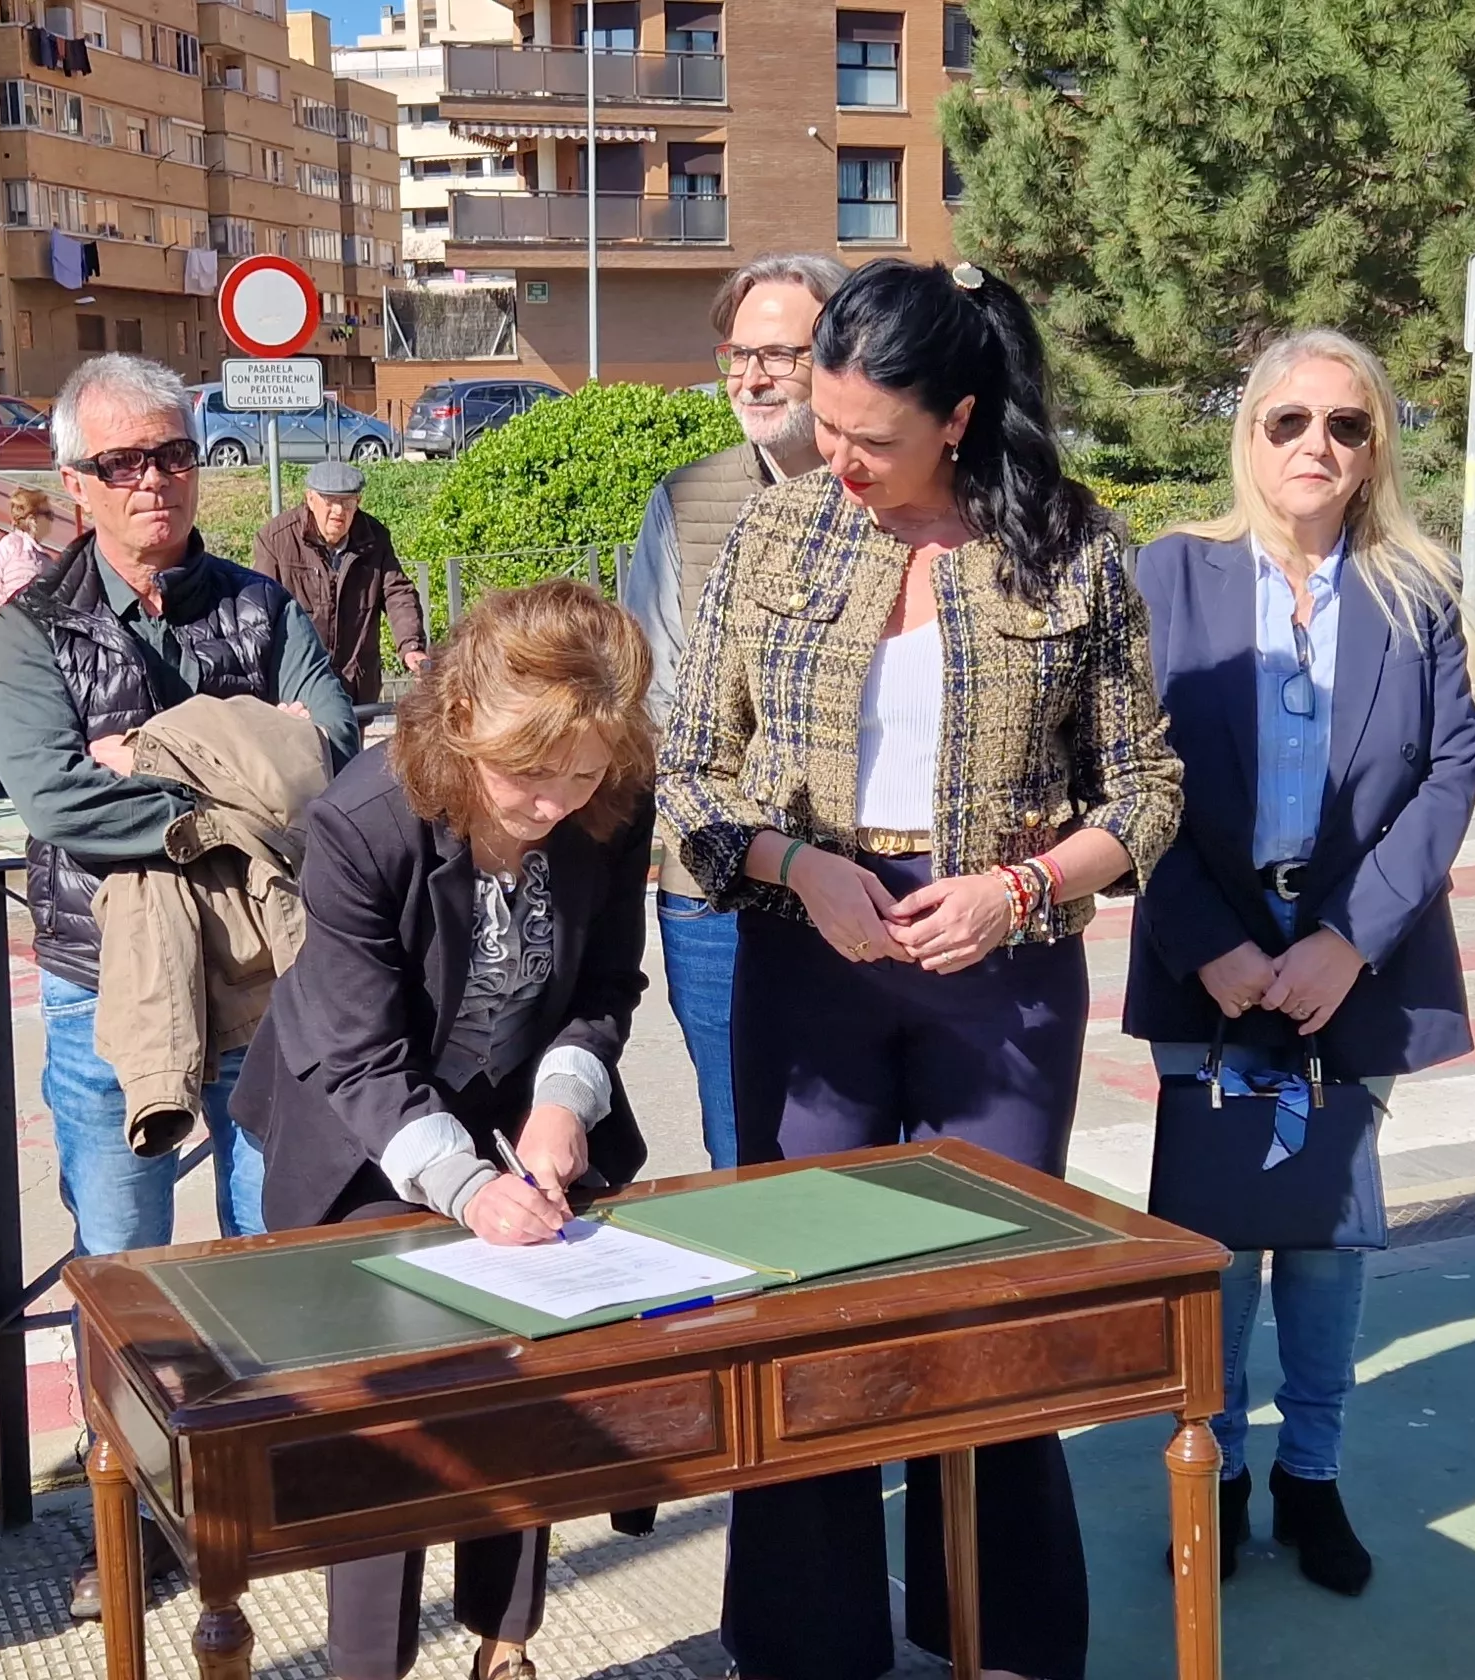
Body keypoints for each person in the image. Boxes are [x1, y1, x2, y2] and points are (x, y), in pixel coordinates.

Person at [659, 259, 1181, 1680]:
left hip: (996, 975)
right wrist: (792, 868)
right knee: (800, 1310)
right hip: (805, 958)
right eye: (823, 425)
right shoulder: (772, 537)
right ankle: (805, 1647)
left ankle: (995, 1644)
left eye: (869, 439)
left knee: (989, 1318)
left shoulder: (1070, 545)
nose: (837, 462)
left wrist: (1021, 887)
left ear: (955, 416)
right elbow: (690, 777)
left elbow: (1142, 795)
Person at [0, 352, 358, 1616]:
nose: (153, 482)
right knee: (123, 1261)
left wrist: (153, 753)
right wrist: (220, 803)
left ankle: (251, 1490)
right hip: (105, 982)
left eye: (174, 456)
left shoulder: (260, 605)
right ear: (74, 483)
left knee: (268, 1242)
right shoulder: (32, 630)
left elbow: (329, 760)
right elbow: (50, 794)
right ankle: (131, 1515)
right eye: (122, 463)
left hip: (267, 976)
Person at [234, 579, 655, 1680]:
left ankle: (504, 1644)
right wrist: (466, 1188)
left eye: (581, 774)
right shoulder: (363, 822)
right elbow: (357, 1055)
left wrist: (567, 1100)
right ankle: (367, 1664)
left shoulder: (609, 796)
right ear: (461, 723)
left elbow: (605, 984)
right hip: (365, 1123)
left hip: (516, 1097)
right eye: (528, 774)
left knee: (530, 1367)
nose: (554, 804)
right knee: (394, 1402)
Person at [1127, 330, 1475, 1597]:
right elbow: (1118, 777)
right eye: (1289, 422)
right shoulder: (1168, 574)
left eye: (1344, 424)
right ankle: (1213, 1473)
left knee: (1328, 1242)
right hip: (1207, 960)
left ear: (1375, 443)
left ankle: (1312, 1477)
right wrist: (1209, 945)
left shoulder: (1416, 588)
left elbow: (1452, 768)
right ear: (1250, 435)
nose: (1315, 447)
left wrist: (1350, 937)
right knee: (1217, 1244)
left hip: (1354, 962)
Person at [620, 251, 848, 1170]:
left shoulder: (905, 499)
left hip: (873, 885)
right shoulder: (685, 497)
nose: (752, 377)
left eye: (780, 355)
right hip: (714, 895)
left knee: (872, 1162)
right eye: (737, 354)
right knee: (743, 1153)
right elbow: (656, 702)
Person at [248, 458, 429, 706]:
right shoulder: (276, 539)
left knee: (352, 745)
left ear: (358, 503)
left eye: (347, 502)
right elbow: (261, 612)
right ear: (310, 499)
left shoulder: (374, 537)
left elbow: (397, 593)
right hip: (300, 683)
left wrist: (411, 646)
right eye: (330, 501)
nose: (338, 511)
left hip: (355, 682)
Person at [0, 486, 68, 799]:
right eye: (49, 515)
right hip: (16, 648)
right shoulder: (21, 555)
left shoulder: (16, 547)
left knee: (7, 711)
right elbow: (24, 605)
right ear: (32, 519)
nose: (52, 522)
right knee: (19, 712)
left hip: (4, 645)